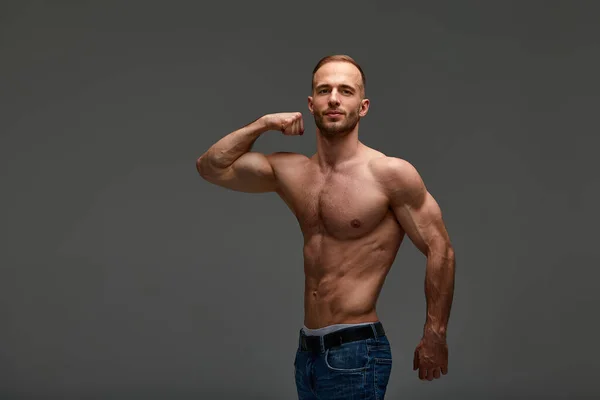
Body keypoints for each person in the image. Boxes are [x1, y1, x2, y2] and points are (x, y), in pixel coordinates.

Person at [196, 54, 456, 399]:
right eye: (324, 90)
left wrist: (434, 334)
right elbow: (210, 167)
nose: (334, 98)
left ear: (362, 107)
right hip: (308, 352)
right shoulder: (293, 172)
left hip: (357, 350)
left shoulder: (389, 174)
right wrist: (262, 124)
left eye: (345, 91)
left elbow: (441, 249)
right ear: (311, 103)